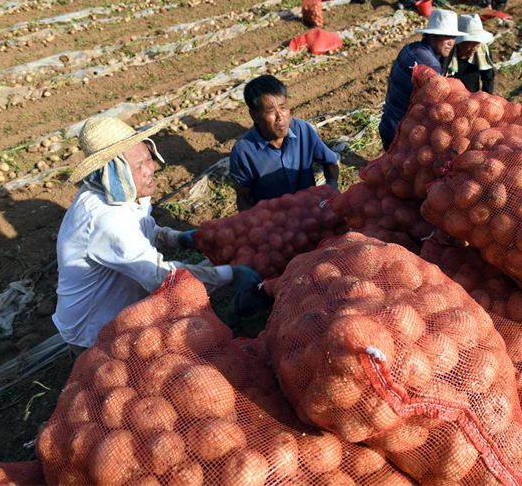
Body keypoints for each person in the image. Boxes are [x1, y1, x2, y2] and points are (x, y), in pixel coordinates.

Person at [54, 117, 261, 349]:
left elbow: (144, 229)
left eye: (148, 158)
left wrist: (177, 238)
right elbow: (161, 279)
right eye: (138, 166)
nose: (150, 169)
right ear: (113, 172)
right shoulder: (106, 219)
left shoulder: (123, 191)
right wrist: (228, 275)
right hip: (96, 332)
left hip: (128, 309)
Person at [229, 75, 339, 212]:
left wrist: (332, 189)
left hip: (310, 211)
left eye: (283, 107)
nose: (280, 117)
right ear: (254, 115)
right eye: (270, 111)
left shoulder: (302, 130)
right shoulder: (243, 151)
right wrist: (255, 221)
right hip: (274, 219)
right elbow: (243, 197)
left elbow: (330, 163)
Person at [379, 9, 465, 149]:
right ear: (433, 36)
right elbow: (433, 112)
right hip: (402, 136)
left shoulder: (409, 48)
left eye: (453, 37)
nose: (451, 43)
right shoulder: (430, 66)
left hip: (387, 125)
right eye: (447, 37)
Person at [442, 14, 496, 94]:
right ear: (460, 41)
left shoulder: (482, 51)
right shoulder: (447, 53)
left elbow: (488, 78)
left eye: (477, 42)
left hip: (471, 97)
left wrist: (486, 98)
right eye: (470, 43)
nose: (475, 47)